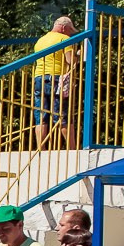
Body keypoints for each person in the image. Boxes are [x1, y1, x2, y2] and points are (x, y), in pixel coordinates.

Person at [31, 16, 80, 149]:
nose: (70, 34)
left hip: (39, 78)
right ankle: (72, 148)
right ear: (64, 28)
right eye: (70, 30)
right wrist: (78, 56)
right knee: (62, 114)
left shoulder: (40, 41)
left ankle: (41, 148)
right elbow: (70, 61)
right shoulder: (64, 39)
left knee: (41, 116)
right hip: (56, 78)